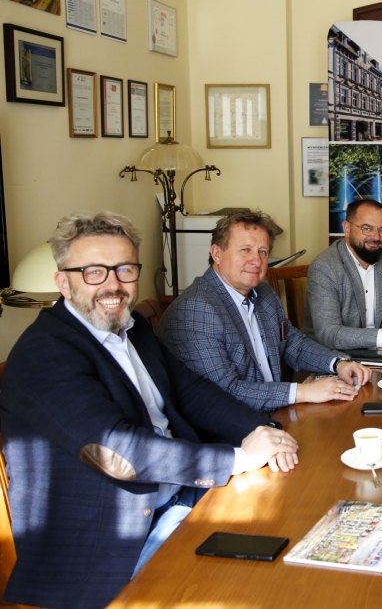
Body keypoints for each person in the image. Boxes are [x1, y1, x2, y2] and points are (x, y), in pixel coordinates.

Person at [0, 212, 300, 609]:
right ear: (63, 282)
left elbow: (191, 391)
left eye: (125, 269)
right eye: (93, 272)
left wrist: (264, 431)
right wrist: (240, 457)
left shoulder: (133, 327)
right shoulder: (44, 353)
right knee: (264, 591)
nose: (113, 285)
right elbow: (115, 451)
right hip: (112, 545)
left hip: (181, 497)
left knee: (295, 540)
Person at [159, 209, 370, 413]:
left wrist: (338, 363)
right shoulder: (196, 309)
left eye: (262, 251)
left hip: (275, 411)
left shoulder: (263, 292)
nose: (257, 261)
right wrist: (302, 392)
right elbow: (224, 392)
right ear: (217, 253)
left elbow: (292, 344)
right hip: (233, 428)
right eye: (246, 250)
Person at [304, 199, 382, 349]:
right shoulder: (324, 267)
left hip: (381, 355)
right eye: (367, 228)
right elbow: (329, 333)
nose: (376, 237)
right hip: (333, 357)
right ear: (347, 228)